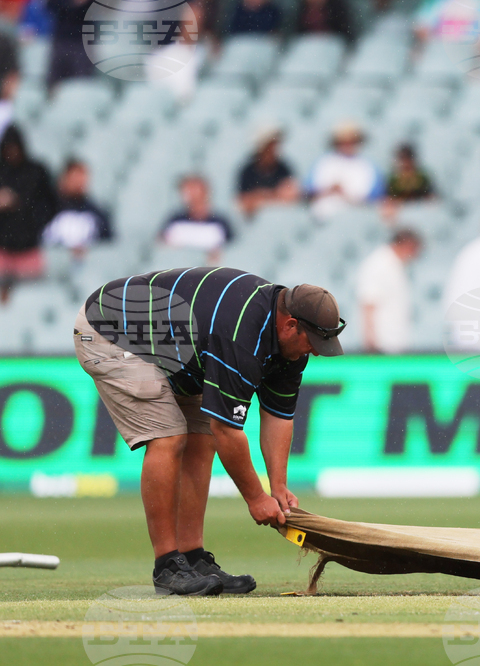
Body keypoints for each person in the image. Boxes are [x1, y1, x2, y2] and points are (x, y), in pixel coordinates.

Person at [74, 272, 346, 594]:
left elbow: (278, 416)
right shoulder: (242, 334)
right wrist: (256, 498)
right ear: (290, 325)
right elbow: (227, 430)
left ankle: (192, 557)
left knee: (201, 438)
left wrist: (278, 486)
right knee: (169, 438)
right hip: (110, 330)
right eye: (313, 343)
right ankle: (167, 567)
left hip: (172, 345)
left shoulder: (290, 346)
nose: (315, 352)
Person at [0, 125, 57, 304]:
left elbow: (51, 204)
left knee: (31, 301)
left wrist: (26, 211)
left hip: (29, 248)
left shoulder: (36, 171)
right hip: (2, 249)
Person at [356, 228, 422, 354]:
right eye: (415, 251)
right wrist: (371, 343)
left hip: (395, 344)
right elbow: (368, 304)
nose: (415, 256)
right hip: (382, 345)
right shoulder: (379, 264)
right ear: (407, 245)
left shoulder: (395, 265)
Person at [306, 122, 382, 223]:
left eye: (351, 141)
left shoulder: (367, 166)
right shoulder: (324, 163)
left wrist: (345, 194)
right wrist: (331, 189)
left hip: (356, 214)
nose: (347, 145)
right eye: (343, 141)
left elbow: (374, 196)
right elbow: (309, 191)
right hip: (324, 215)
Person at [42, 159, 113, 257]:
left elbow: (107, 244)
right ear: (64, 178)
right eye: (74, 178)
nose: (79, 184)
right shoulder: (46, 208)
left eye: (82, 179)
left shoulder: (95, 212)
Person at [160, 176, 234, 264]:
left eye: (195, 191)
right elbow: (162, 245)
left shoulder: (221, 223)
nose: (192, 196)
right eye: (188, 191)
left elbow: (231, 247)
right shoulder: (175, 221)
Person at [237, 126, 299, 220]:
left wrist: (261, 196)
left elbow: (292, 195)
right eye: (269, 146)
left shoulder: (283, 168)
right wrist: (275, 195)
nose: (273, 149)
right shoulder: (248, 171)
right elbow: (244, 202)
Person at [46, 0, 92, 90]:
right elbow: (50, 6)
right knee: (55, 83)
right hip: (62, 39)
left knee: (81, 82)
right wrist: (71, 4)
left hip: (82, 41)